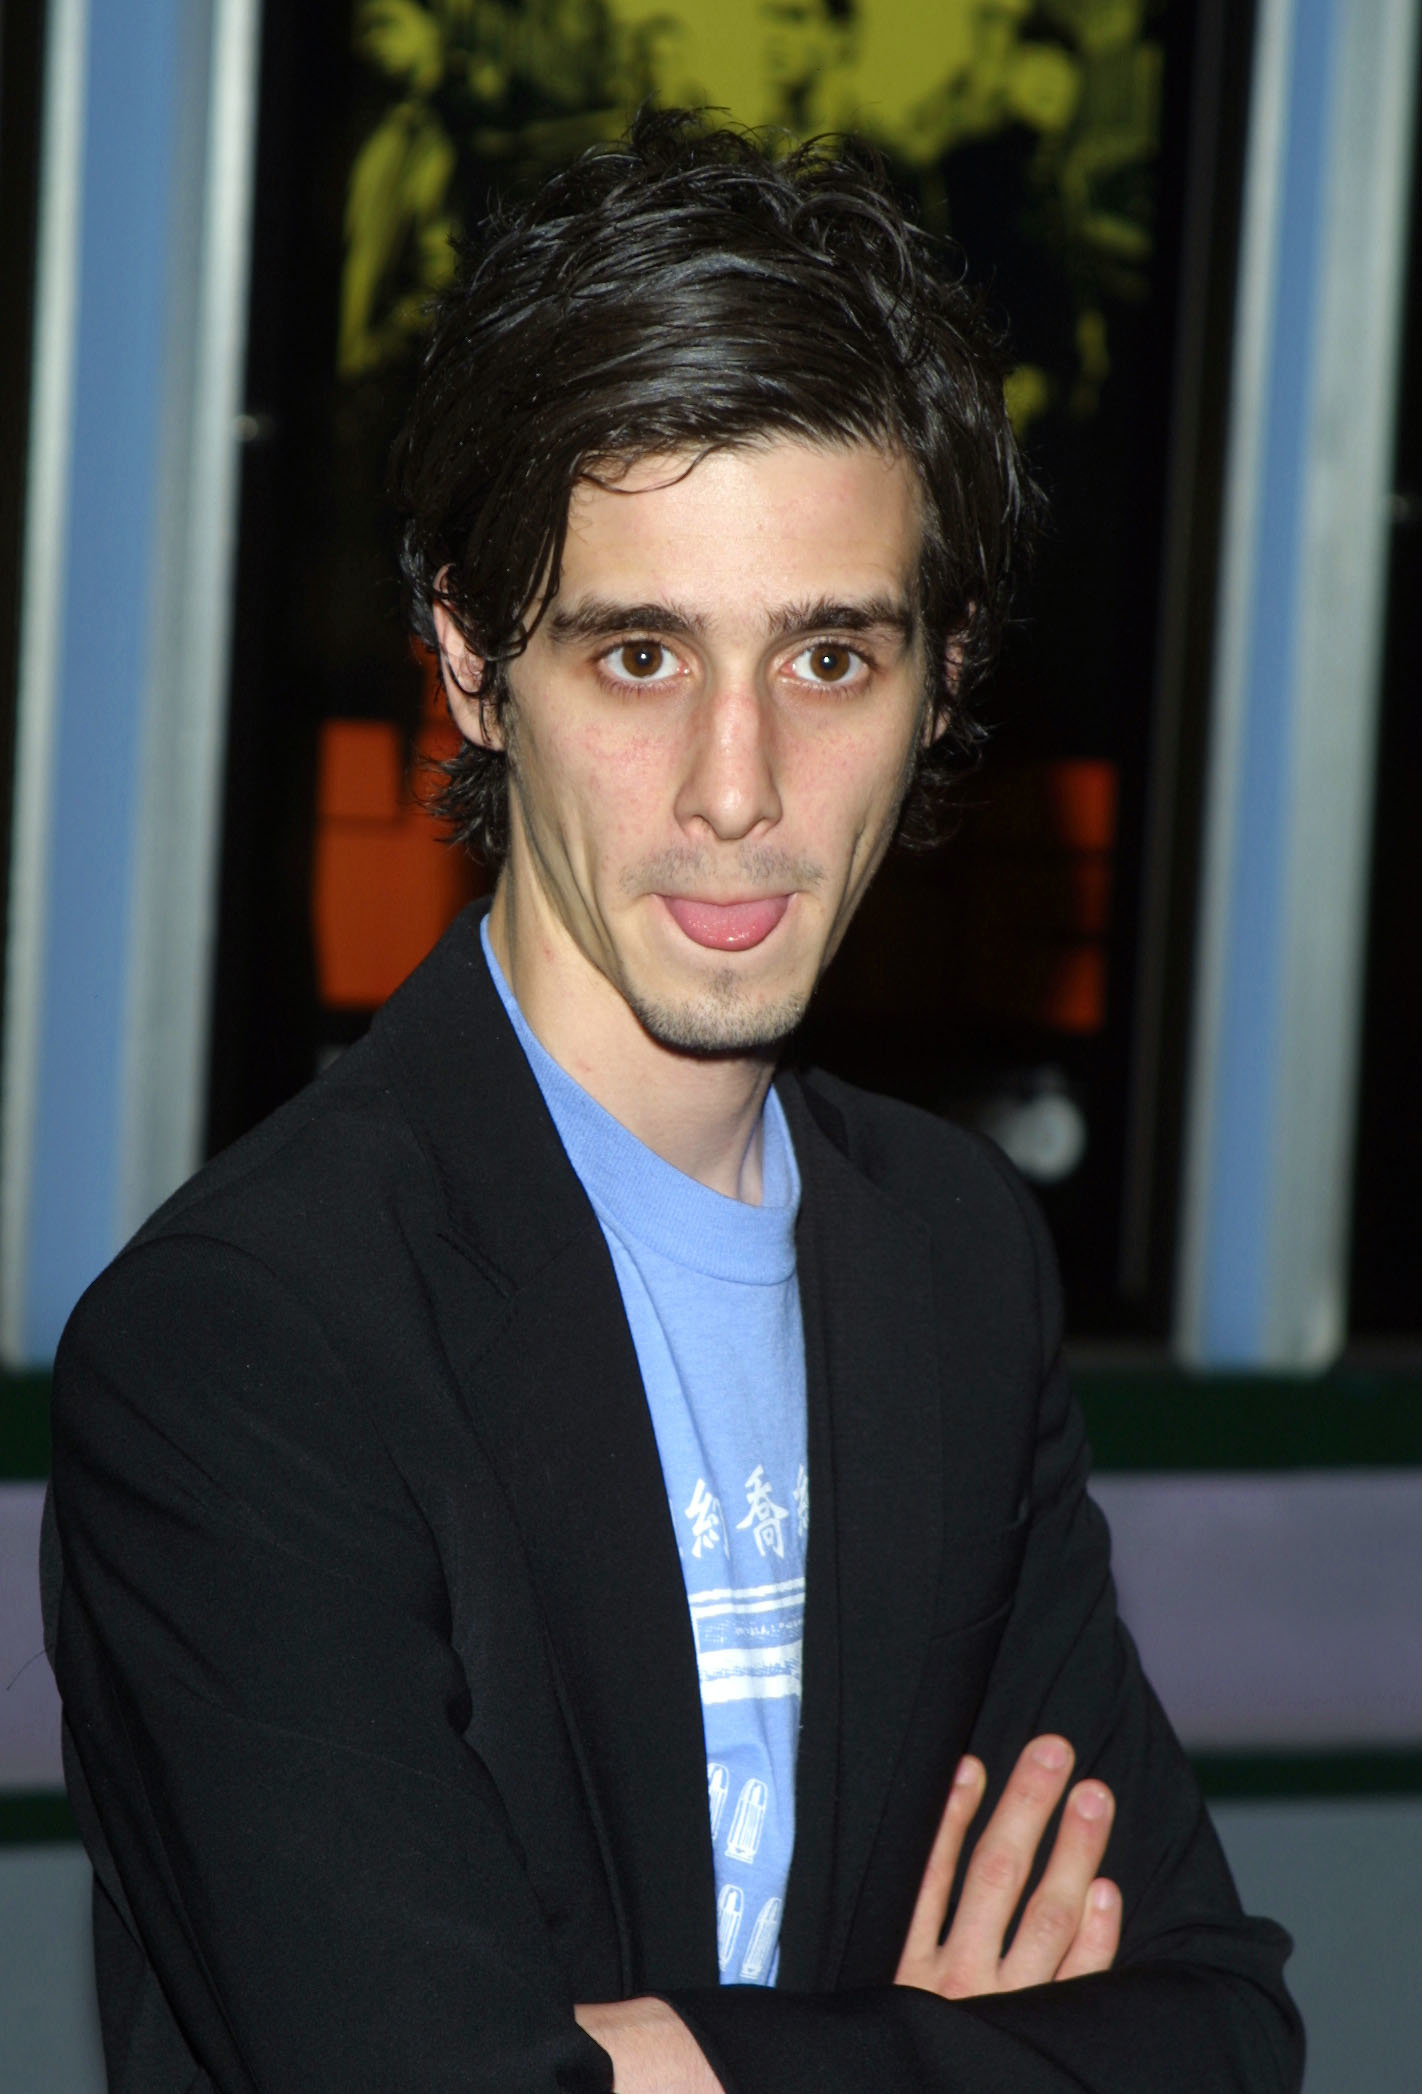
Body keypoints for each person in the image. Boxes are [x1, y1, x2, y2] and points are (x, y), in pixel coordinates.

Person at [43, 109, 1302, 2094]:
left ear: (944, 671)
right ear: (470, 656)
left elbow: (1219, 2029)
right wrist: (927, 2051)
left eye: (828, 657)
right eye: (640, 654)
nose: (736, 785)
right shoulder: (241, 1349)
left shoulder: (957, 1262)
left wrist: (690, 2060)